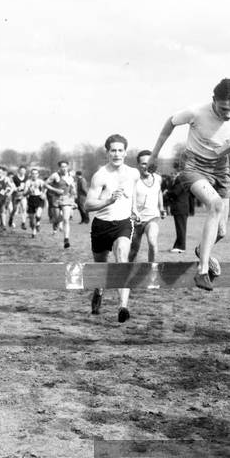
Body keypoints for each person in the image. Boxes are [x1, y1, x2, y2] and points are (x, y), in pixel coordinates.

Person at [150, 78, 230, 291]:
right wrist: (154, 154)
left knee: (221, 231)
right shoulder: (196, 111)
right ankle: (202, 272)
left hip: (221, 168)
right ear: (213, 100)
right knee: (215, 205)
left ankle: (203, 251)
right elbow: (170, 123)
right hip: (193, 165)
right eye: (223, 108)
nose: (228, 114)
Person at [85, 134, 140, 322]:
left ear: (126, 152)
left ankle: (123, 306)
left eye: (120, 150)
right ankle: (99, 290)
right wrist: (108, 200)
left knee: (122, 258)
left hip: (123, 224)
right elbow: (88, 205)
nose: (117, 154)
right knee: (101, 266)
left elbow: (132, 195)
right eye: (113, 150)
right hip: (101, 225)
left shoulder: (134, 173)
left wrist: (134, 210)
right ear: (107, 153)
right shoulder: (100, 175)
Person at [129, 151, 164, 262]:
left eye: (150, 162)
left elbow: (159, 192)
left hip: (152, 218)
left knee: (153, 242)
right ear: (138, 165)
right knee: (133, 252)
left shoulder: (158, 178)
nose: (147, 166)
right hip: (135, 221)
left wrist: (161, 207)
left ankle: (151, 270)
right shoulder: (133, 180)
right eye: (144, 163)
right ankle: (125, 273)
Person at [46, 160, 78, 248]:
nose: (64, 168)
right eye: (62, 167)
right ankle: (56, 223)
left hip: (66, 199)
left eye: (65, 166)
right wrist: (55, 190)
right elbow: (46, 184)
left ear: (68, 167)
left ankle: (66, 239)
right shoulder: (55, 175)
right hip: (56, 199)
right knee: (56, 218)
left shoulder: (71, 176)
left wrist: (74, 200)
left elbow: (73, 189)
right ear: (59, 167)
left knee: (66, 219)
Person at [23, 168, 48, 237]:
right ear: (31, 174)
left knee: (37, 215)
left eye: (36, 173)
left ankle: (38, 223)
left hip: (39, 198)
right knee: (31, 219)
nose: (34, 175)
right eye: (33, 173)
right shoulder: (28, 182)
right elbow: (24, 194)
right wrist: (29, 191)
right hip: (31, 199)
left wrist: (43, 193)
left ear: (38, 174)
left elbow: (46, 188)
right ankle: (34, 231)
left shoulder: (41, 181)